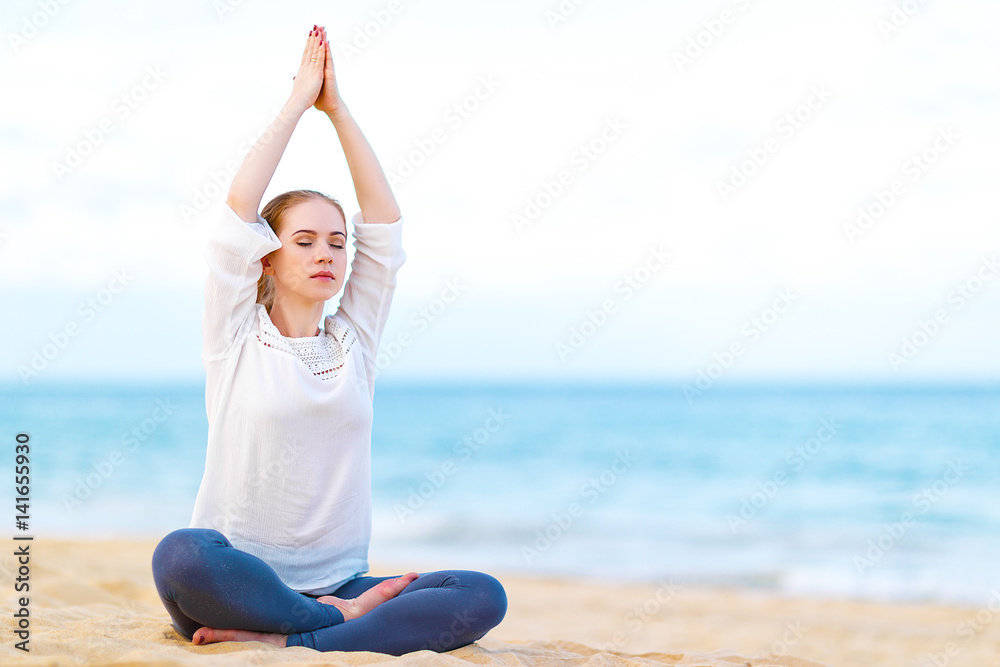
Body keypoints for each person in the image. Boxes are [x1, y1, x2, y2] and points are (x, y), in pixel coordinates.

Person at [151, 24, 506, 655]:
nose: (328, 254)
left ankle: (298, 639)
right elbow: (236, 214)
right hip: (236, 584)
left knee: (480, 594)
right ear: (265, 258)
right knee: (183, 553)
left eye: (338, 243)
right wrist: (297, 104)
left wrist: (337, 110)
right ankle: (331, 627)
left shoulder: (355, 343)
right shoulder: (235, 336)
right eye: (306, 241)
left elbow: (386, 227)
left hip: (340, 583)